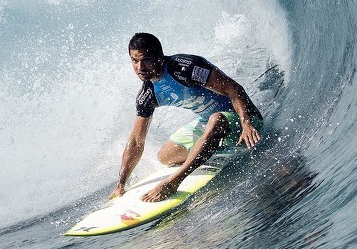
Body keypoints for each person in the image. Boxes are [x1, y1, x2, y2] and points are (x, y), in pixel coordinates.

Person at [111, 32, 263, 203]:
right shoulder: (149, 94)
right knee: (165, 156)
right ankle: (211, 148)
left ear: (159, 57)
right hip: (210, 121)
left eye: (145, 59)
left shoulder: (185, 68)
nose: (140, 67)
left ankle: (174, 181)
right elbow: (136, 141)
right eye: (134, 61)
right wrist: (120, 183)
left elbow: (233, 88)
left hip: (244, 120)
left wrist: (247, 124)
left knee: (216, 119)